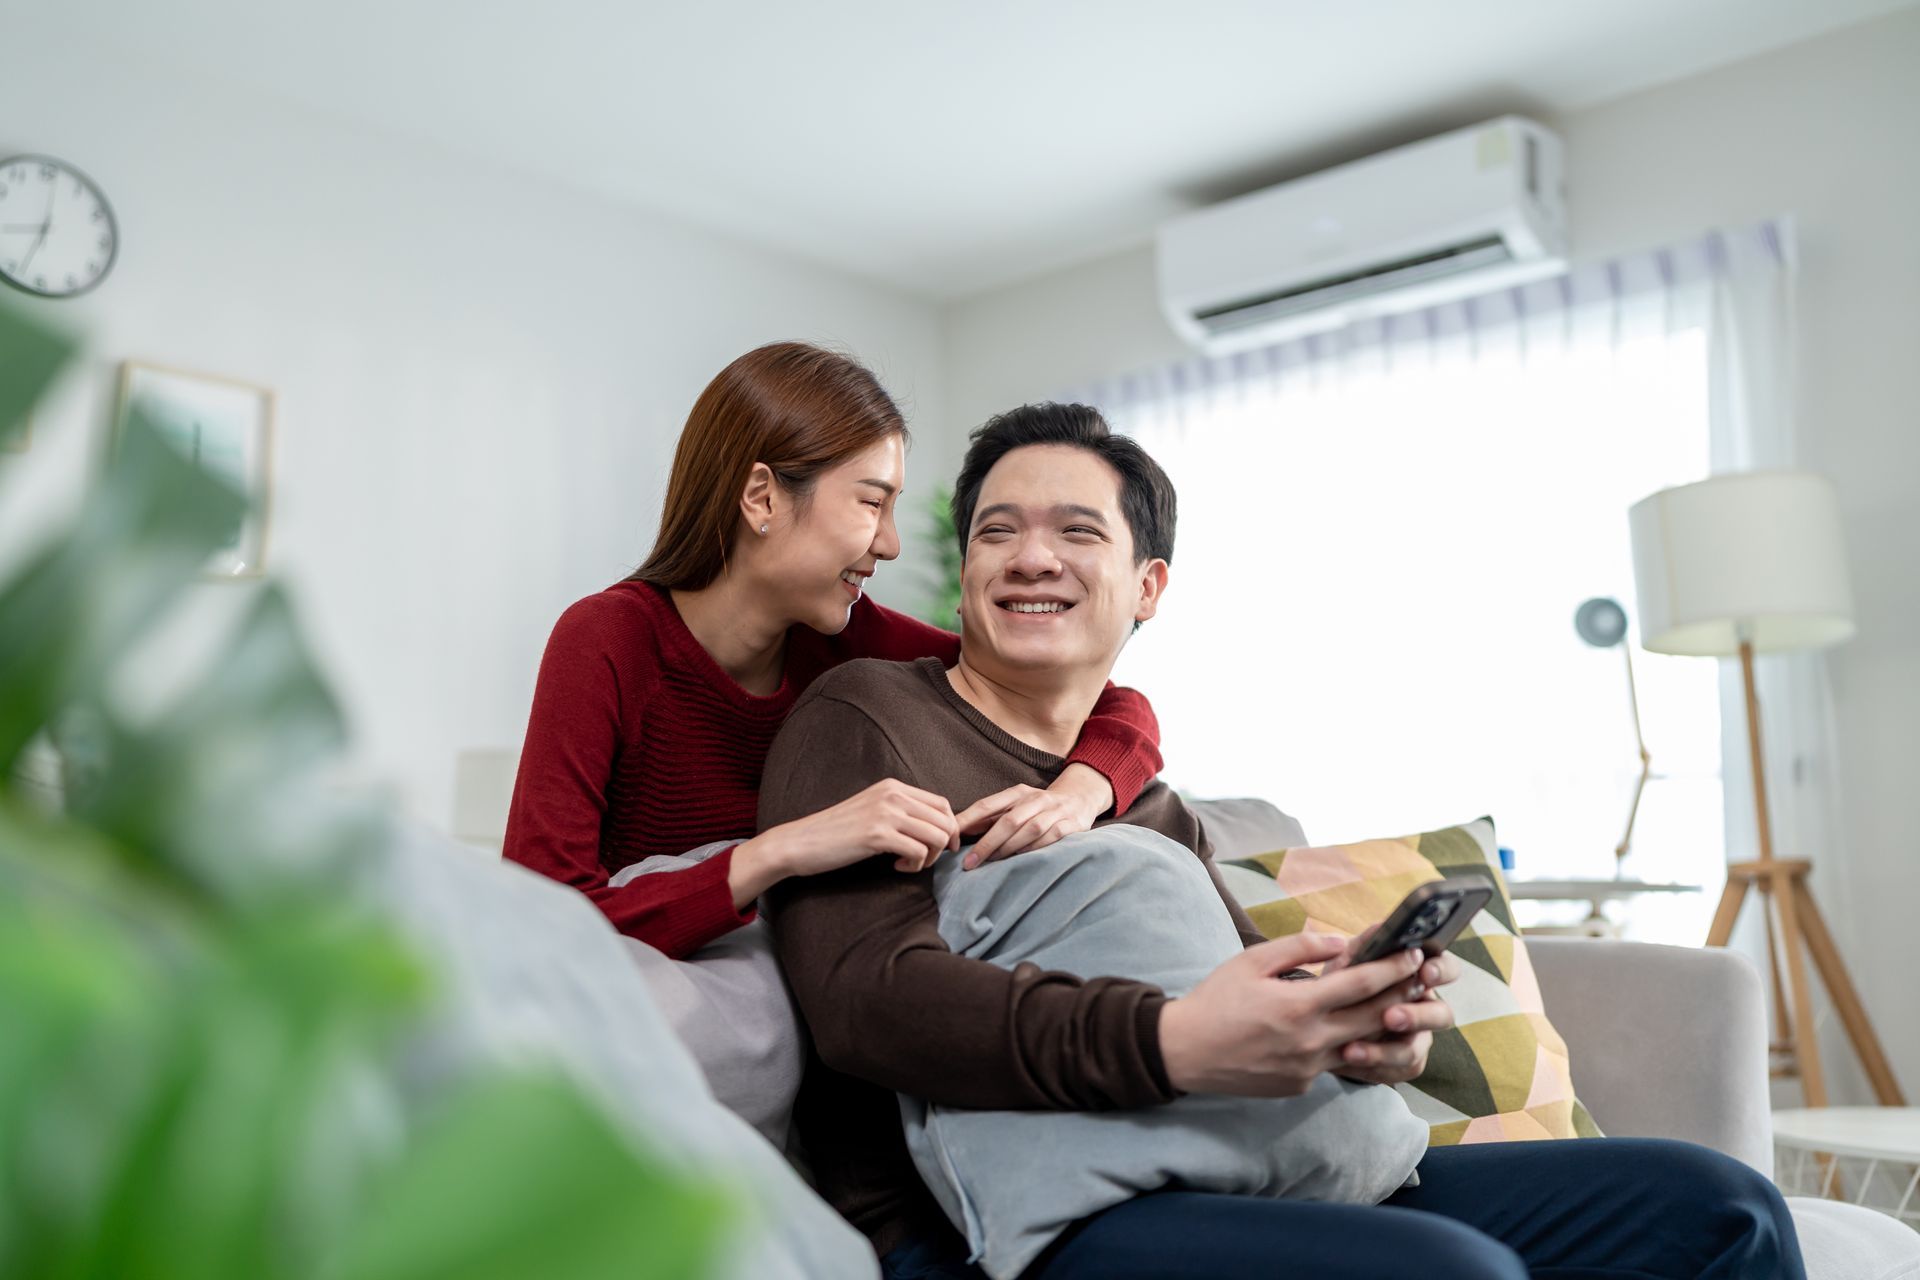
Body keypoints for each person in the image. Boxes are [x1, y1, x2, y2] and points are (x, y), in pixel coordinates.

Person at [759, 402, 1804, 1280]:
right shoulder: (869, 715)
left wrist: (1363, 1034)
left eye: (1078, 531)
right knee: (1455, 1270)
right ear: (965, 573)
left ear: (1148, 587)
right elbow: (863, 1001)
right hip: (1003, 1226)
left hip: (1246, 1163)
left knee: (1723, 1207)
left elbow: (1246, 989)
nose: (1033, 556)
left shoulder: (1146, 800)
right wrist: (1170, 1039)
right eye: (998, 531)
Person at [502, 343, 1165, 961]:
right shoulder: (608, 639)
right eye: (872, 503)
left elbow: (1106, 702)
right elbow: (537, 918)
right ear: (762, 497)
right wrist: (777, 853)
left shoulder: (847, 636)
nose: (891, 544)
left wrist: (1083, 791)